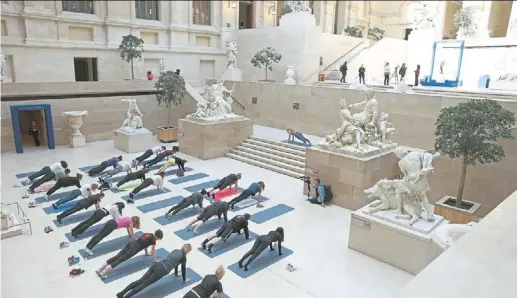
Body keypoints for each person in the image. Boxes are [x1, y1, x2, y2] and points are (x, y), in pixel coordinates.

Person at [116, 244, 192, 298]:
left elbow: (176, 263)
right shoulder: (184, 257)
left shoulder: (176, 250)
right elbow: (183, 269)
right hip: (161, 271)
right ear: (188, 251)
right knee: (143, 284)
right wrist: (184, 279)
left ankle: (121, 293)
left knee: (140, 281)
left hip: (157, 264)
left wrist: (176, 273)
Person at [96, 229, 164, 279]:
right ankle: (103, 273)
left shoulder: (148, 233)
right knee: (120, 260)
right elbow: (153, 250)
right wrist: (155, 259)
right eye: (159, 239)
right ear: (158, 237)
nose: (158, 240)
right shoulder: (153, 240)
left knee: (117, 256)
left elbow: (145, 245)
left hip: (131, 243)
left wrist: (146, 253)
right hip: (134, 249)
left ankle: (99, 269)